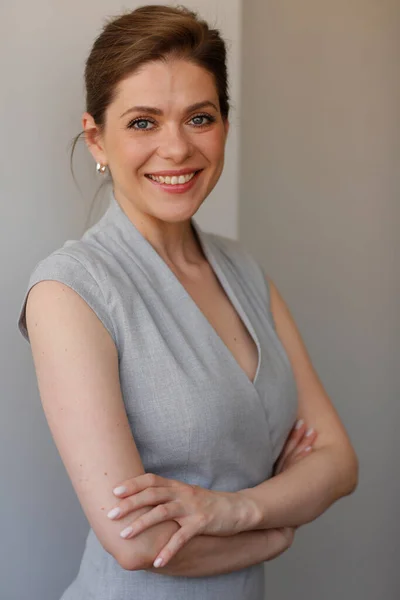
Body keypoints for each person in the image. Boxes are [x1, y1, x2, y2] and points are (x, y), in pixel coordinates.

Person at [17, 5, 358, 599]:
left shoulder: (244, 271)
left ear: (225, 124)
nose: (176, 149)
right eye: (143, 123)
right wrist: (278, 528)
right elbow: (138, 543)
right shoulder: (69, 291)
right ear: (97, 137)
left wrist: (232, 513)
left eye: (199, 117)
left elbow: (338, 462)